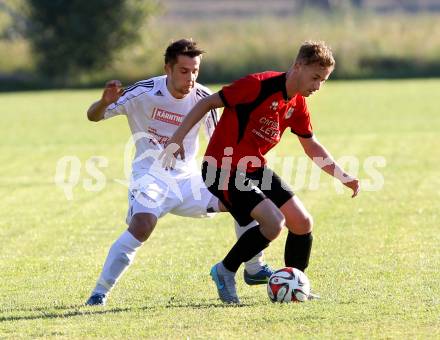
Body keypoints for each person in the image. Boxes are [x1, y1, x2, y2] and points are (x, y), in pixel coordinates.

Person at [162, 40, 361, 304]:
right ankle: (225, 271)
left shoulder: (298, 104)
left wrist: (342, 175)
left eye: (323, 80)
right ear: (298, 66)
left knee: (302, 223)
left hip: (254, 168)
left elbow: (310, 144)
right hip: (221, 168)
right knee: (273, 222)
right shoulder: (257, 85)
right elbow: (206, 103)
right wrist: (176, 139)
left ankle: (295, 284)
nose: (317, 86)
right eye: (315, 78)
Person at [84, 39, 272, 306]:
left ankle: (254, 266)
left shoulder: (203, 98)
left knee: (245, 202)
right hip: (150, 177)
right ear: (168, 69)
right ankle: (99, 293)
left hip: (189, 180)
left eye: (195, 71)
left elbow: (219, 141)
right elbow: (93, 116)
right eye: (184, 71)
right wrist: (104, 102)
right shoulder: (144, 91)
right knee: (142, 226)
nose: (191, 78)